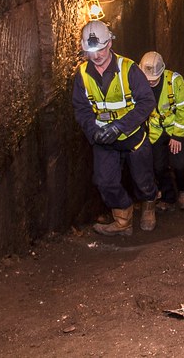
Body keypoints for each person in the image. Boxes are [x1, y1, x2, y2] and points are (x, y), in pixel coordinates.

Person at [72, 20, 158, 235]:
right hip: (103, 139)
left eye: (101, 49)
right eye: (92, 51)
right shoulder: (82, 75)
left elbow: (147, 102)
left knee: (142, 178)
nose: (97, 56)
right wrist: (94, 132)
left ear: (109, 43)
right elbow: (81, 108)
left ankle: (148, 205)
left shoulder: (129, 70)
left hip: (133, 136)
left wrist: (119, 126)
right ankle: (123, 219)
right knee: (104, 181)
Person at [139, 51, 184, 211]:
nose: (149, 82)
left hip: (174, 128)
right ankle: (168, 197)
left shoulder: (175, 81)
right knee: (158, 167)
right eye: (147, 79)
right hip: (155, 131)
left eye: (153, 80)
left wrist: (177, 135)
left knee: (179, 164)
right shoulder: (138, 82)